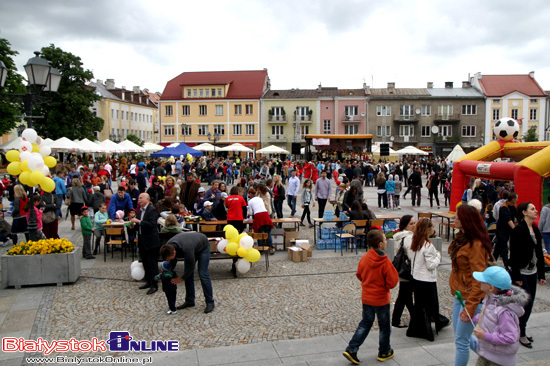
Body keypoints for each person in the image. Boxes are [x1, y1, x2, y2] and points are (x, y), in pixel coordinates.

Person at [342, 229, 399, 364]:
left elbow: (359, 274)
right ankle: (384, 351)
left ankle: (352, 348)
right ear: (380, 244)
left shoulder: (365, 258)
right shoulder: (384, 262)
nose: (386, 241)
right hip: (381, 299)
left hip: (367, 297)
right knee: (384, 326)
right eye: (385, 240)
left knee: (366, 323)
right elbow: (392, 282)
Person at [448, 204, 492, 366]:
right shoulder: (462, 239)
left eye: (457, 217)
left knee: (461, 342)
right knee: (461, 337)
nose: (454, 218)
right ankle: (491, 354)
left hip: (469, 299)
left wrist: (471, 307)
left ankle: (492, 354)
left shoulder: (476, 245)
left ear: (466, 220)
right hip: (459, 295)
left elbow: (479, 279)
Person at [470, 266, 528, 366]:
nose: (480, 282)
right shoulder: (490, 300)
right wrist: (477, 318)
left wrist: (485, 336)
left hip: (499, 360)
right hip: (488, 352)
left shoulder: (504, 312)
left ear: (491, 288)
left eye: (483, 281)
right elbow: (490, 316)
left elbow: (510, 337)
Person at [509, 202, 547, 348]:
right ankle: (520, 332)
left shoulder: (536, 230)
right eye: (532, 209)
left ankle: (520, 329)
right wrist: (517, 276)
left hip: (533, 272)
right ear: (524, 212)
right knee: (526, 303)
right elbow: (514, 254)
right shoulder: (519, 230)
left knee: (530, 304)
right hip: (522, 273)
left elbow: (539, 253)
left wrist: (541, 273)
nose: (536, 211)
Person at [406, 218, 448, 341]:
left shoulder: (415, 242)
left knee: (419, 305)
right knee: (431, 305)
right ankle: (429, 328)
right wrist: (438, 256)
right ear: (428, 229)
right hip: (427, 280)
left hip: (416, 277)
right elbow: (430, 265)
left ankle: (417, 328)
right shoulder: (428, 245)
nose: (434, 229)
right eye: (432, 227)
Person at [166, 232, 215, 313]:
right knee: (188, 275)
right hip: (192, 244)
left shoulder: (186, 248)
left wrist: (181, 279)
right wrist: (167, 273)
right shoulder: (168, 246)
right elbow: (172, 261)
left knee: (203, 274)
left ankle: (210, 302)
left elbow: (191, 267)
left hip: (203, 246)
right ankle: (190, 301)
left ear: (174, 252)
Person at [131, 193, 160, 295]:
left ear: (147, 199)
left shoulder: (151, 210)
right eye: (138, 198)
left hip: (151, 241)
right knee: (145, 263)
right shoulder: (139, 211)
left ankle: (154, 284)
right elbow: (139, 226)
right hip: (142, 240)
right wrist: (133, 225)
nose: (139, 200)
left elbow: (152, 224)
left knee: (152, 263)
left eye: (141, 198)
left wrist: (138, 221)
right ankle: (148, 281)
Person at [391, 215, 415, 328]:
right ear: (405, 225)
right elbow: (411, 256)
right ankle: (396, 320)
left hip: (400, 269)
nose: (414, 226)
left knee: (405, 295)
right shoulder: (408, 238)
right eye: (411, 224)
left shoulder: (398, 236)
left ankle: (414, 316)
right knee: (404, 296)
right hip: (407, 270)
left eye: (414, 223)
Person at [248, 187, 275, 254]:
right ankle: (271, 247)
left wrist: (248, 215)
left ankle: (260, 248)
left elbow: (251, 212)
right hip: (265, 215)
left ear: (250, 194)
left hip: (258, 216)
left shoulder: (250, 201)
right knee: (267, 233)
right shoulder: (259, 198)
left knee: (259, 233)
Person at [494, 192, 517, 269]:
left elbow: (517, 216)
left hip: (507, 230)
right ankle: (507, 266)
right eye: (516, 198)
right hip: (501, 230)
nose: (517, 200)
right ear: (513, 199)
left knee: (498, 248)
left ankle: (492, 261)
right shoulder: (504, 207)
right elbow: (508, 220)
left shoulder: (513, 206)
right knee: (504, 248)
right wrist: (515, 229)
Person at [155, 250, 178, 314]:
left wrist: (158, 277)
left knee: (169, 299)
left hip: (167, 289)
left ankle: (173, 309)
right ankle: (173, 305)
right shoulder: (172, 272)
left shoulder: (164, 275)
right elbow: (176, 276)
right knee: (173, 297)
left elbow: (157, 277)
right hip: (173, 287)